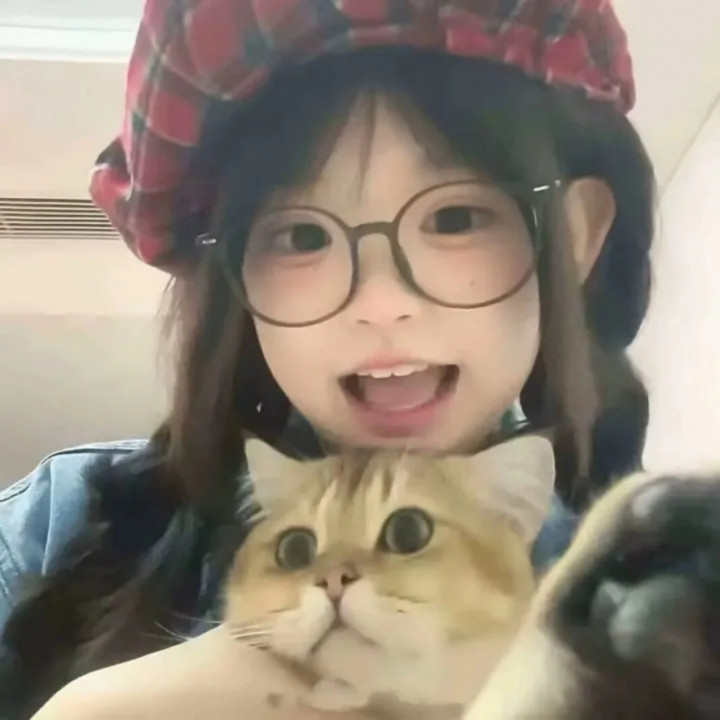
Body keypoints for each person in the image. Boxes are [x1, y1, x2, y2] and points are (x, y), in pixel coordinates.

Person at [0, 0, 655, 717]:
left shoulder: (657, 610)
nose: (380, 302)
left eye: (456, 217)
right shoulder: (52, 528)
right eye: (301, 235)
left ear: (575, 234)